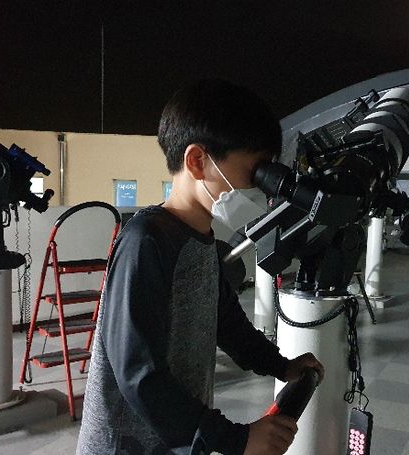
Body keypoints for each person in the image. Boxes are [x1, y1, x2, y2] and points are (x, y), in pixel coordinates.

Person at [77, 79, 324, 455]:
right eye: (255, 172)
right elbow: (138, 372)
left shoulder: (205, 239)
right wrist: (236, 439)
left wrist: (281, 365)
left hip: (172, 441)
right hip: (124, 445)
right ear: (196, 161)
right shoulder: (146, 241)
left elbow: (227, 322)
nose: (261, 189)